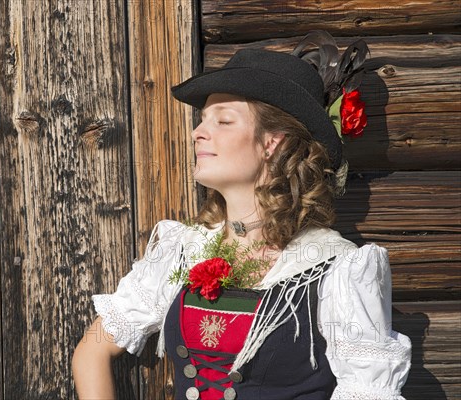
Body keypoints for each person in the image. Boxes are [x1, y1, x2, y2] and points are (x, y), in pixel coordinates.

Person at [72, 31, 412, 399]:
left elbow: (367, 393)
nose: (198, 132)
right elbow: (92, 350)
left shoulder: (334, 270)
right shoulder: (183, 250)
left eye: (223, 120)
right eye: (202, 120)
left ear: (272, 142)